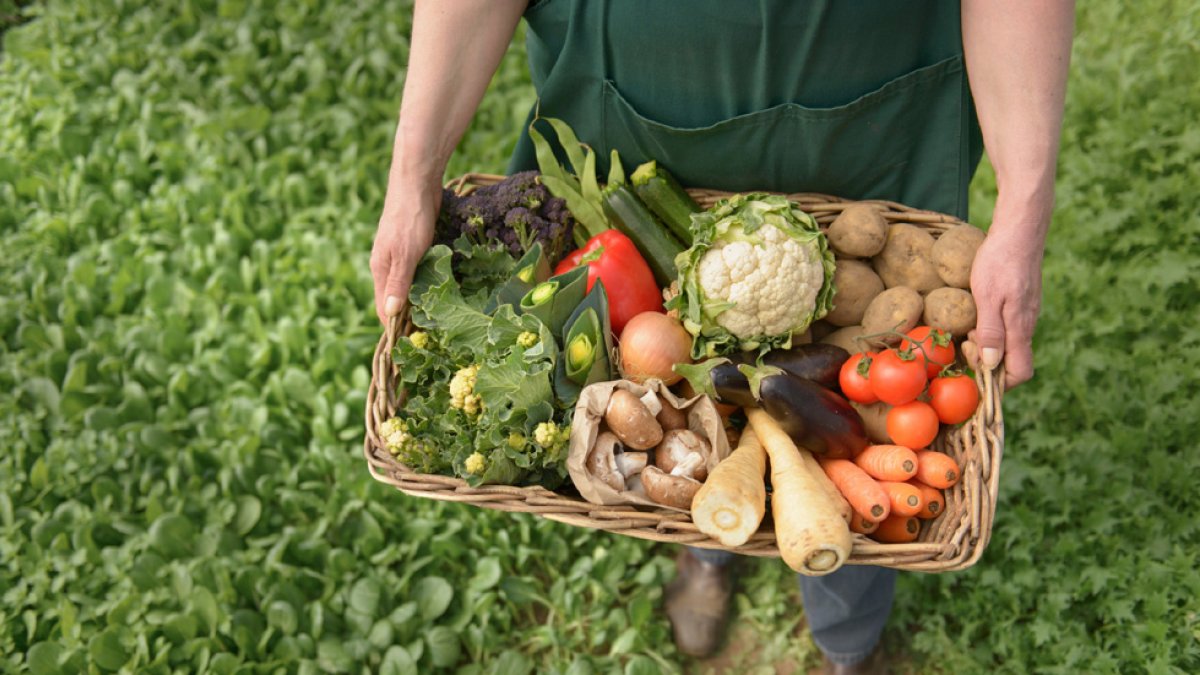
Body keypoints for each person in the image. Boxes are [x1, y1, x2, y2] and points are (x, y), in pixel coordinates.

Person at [370, 2, 1074, 672]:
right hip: (635, 117)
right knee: (697, 420)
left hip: (866, 116)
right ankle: (708, 543)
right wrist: (412, 173)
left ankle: (848, 637)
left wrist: (1025, 204)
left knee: (856, 456)